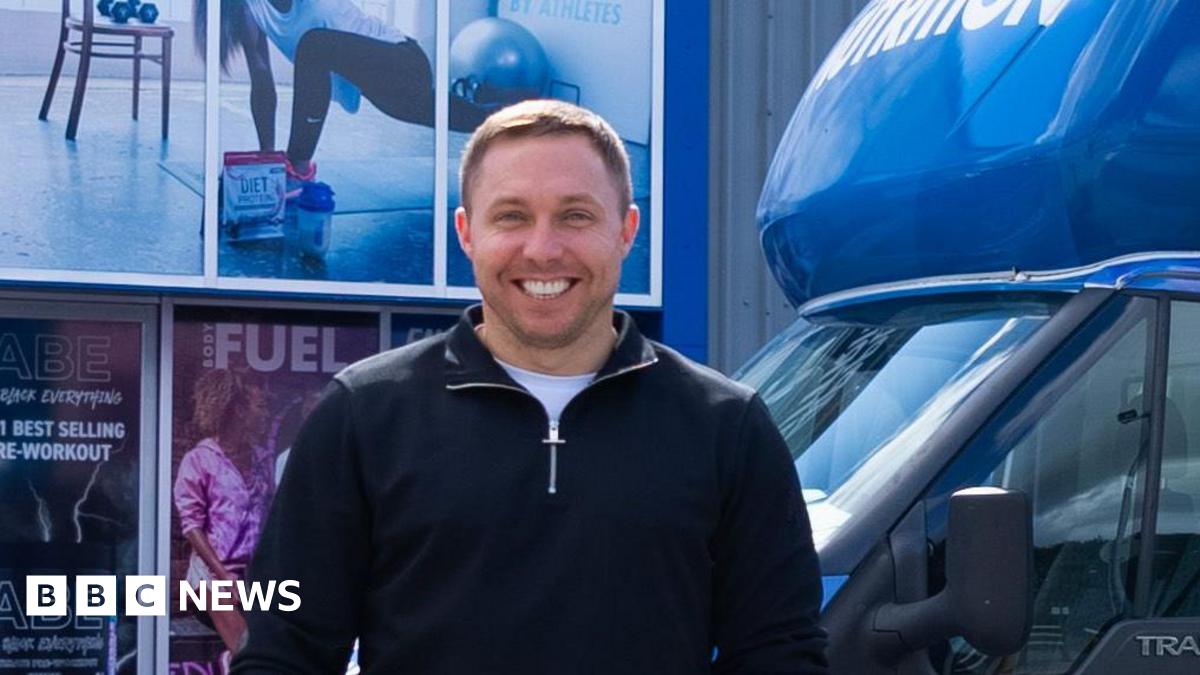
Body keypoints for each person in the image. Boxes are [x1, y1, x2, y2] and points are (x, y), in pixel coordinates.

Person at [232, 100, 828, 673]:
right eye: (512, 216)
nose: (542, 250)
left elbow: (779, 652)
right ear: (467, 232)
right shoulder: (363, 416)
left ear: (626, 230)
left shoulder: (725, 427)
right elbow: (282, 651)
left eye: (576, 216)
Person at [193, 0, 488, 183]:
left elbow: (316, 49)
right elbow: (261, 80)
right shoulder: (251, 8)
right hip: (376, 88)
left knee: (313, 45)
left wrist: (289, 165)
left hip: (404, 61)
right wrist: (267, 156)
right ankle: (509, 116)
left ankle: (299, 167)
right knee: (469, 118)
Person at [174, 368, 274, 662]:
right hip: (212, 577)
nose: (266, 414)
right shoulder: (199, 460)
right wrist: (223, 574)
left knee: (270, 649)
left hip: (252, 577)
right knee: (249, 651)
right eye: (260, 406)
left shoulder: (261, 458)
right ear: (239, 410)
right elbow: (192, 526)